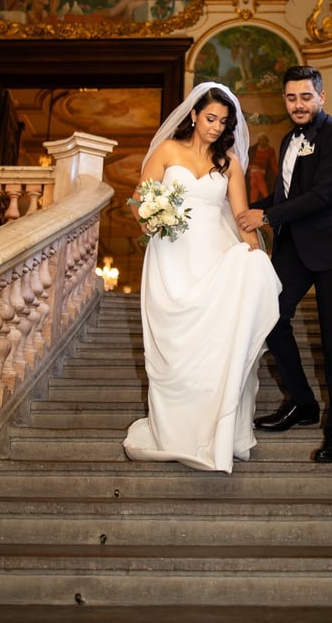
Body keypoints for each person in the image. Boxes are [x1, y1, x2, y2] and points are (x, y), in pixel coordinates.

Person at [122, 81, 281, 473]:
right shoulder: (167, 151)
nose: (216, 127)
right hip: (169, 257)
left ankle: (213, 432)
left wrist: (256, 254)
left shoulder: (230, 162)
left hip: (214, 257)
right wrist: (147, 220)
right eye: (210, 118)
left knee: (211, 347)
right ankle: (174, 431)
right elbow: (139, 199)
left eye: (223, 122)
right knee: (174, 350)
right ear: (193, 115)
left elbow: (241, 217)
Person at [238, 65, 332, 463]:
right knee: (270, 317)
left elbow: (322, 196)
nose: (298, 104)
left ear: (321, 97)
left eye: (306, 96)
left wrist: (267, 217)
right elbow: (285, 196)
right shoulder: (289, 138)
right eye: (291, 98)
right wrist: (240, 210)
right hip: (293, 248)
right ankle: (303, 402)